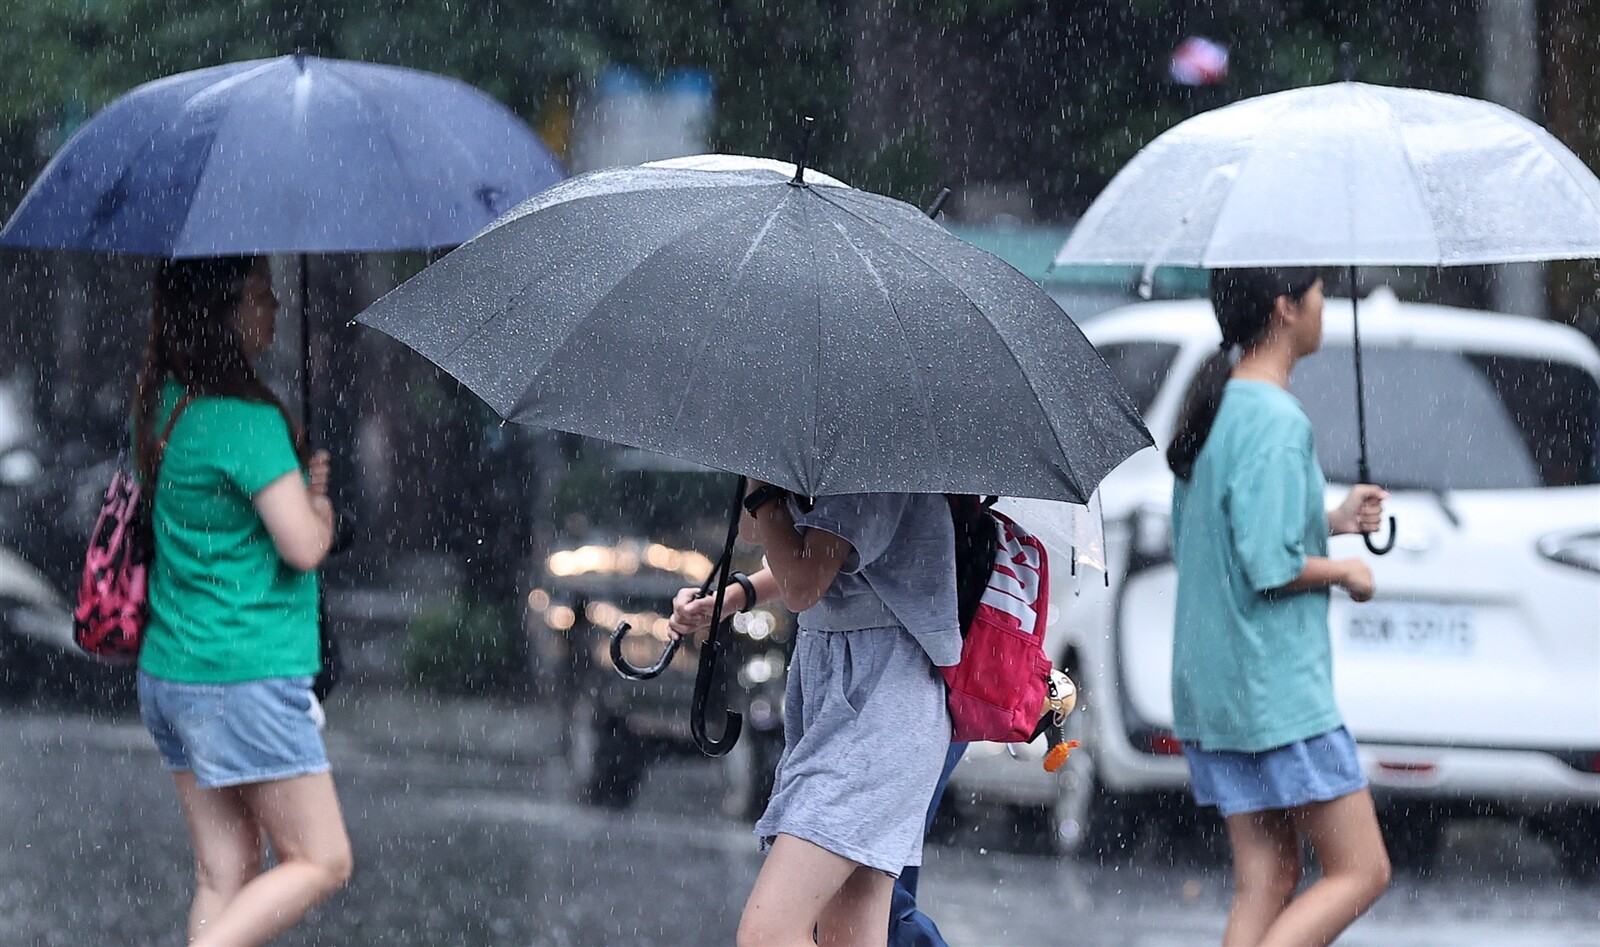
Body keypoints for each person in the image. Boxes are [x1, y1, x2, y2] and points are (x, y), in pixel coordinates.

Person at [132, 256, 353, 947]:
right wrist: (320, 505)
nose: (278, 308)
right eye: (261, 296)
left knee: (224, 873)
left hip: (174, 669)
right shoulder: (247, 419)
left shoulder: (170, 402)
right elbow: (304, 546)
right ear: (223, 314)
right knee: (322, 858)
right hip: (242, 673)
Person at [1167, 267, 1391, 947]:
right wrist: (1347, 571)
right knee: (1362, 869)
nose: (1327, 306)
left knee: (1268, 876)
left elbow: (1229, 534)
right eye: (1320, 293)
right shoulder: (1275, 417)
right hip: (1274, 692)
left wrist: (1330, 519)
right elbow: (1270, 566)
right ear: (1287, 307)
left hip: (1220, 688)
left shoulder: (1222, 405)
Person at [669, 486, 957, 947]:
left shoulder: (869, 451)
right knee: (848, 937)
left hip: (879, 707)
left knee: (770, 933)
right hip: (857, 700)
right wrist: (732, 596)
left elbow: (804, 582)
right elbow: (764, 534)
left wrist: (762, 495)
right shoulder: (837, 450)